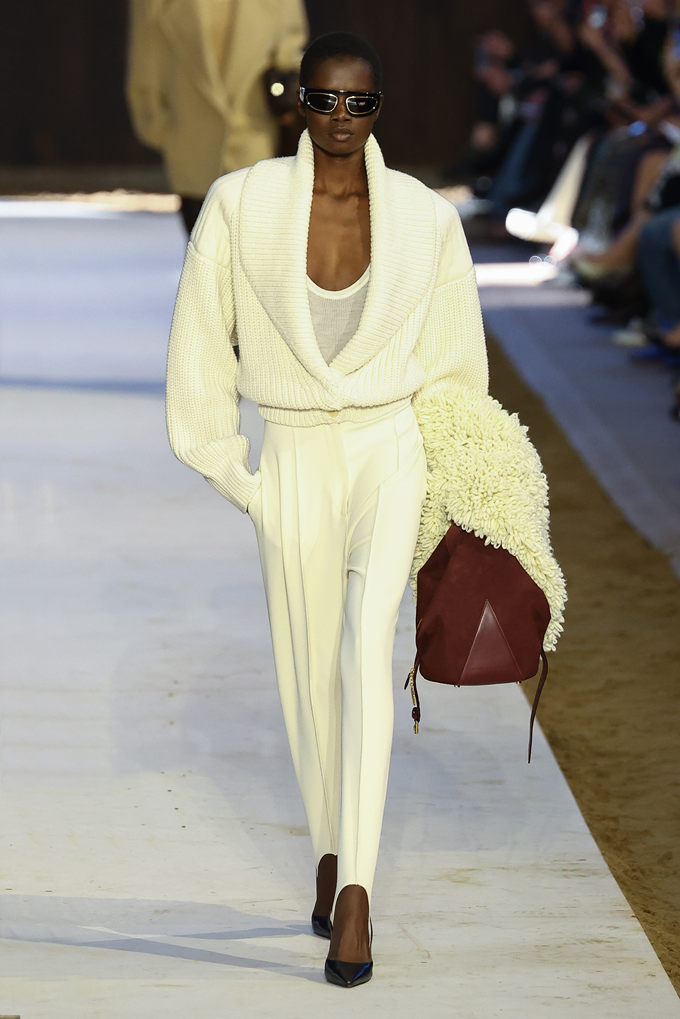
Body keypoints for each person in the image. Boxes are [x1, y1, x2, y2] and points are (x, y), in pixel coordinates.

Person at [166, 32, 564, 987]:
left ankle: (356, 894)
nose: (341, 118)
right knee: (307, 677)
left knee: (362, 658)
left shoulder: (426, 219)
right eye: (325, 100)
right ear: (298, 102)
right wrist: (239, 477)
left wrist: (448, 486)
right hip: (292, 454)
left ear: (379, 109)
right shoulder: (240, 204)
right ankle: (329, 844)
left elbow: (458, 370)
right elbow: (199, 346)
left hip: (390, 450)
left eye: (360, 103)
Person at [126, 0, 308, 233]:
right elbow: (145, 66)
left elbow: (290, 55)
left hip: (257, 144)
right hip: (193, 151)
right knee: (204, 251)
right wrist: (161, 129)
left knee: (259, 249)